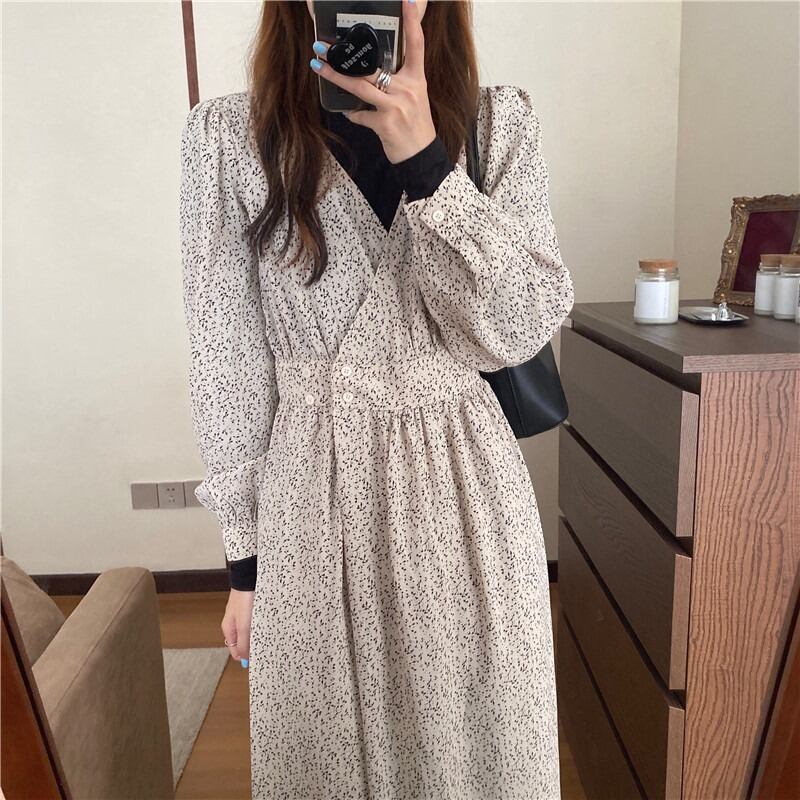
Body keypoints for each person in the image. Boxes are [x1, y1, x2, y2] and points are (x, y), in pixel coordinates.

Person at [179, 0, 575, 796]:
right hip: (311, 499)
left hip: (468, 499)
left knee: (475, 754)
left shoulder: (497, 124)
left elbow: (520, 327)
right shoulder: (228, 140)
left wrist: (428, 164)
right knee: (326, 758)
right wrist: (245, 565)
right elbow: (227, 367)